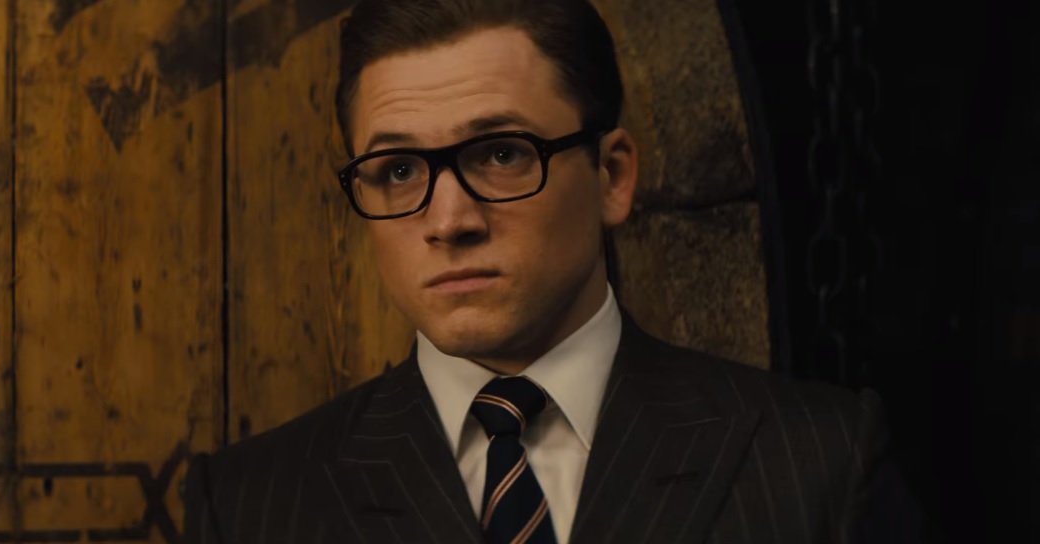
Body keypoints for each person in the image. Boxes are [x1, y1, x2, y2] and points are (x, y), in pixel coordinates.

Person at [184, 1, 915, 542]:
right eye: (399, 169)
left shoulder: (818, 462)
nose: (448, 220)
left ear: (612, 177)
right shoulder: (251, 506)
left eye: (501, 154)